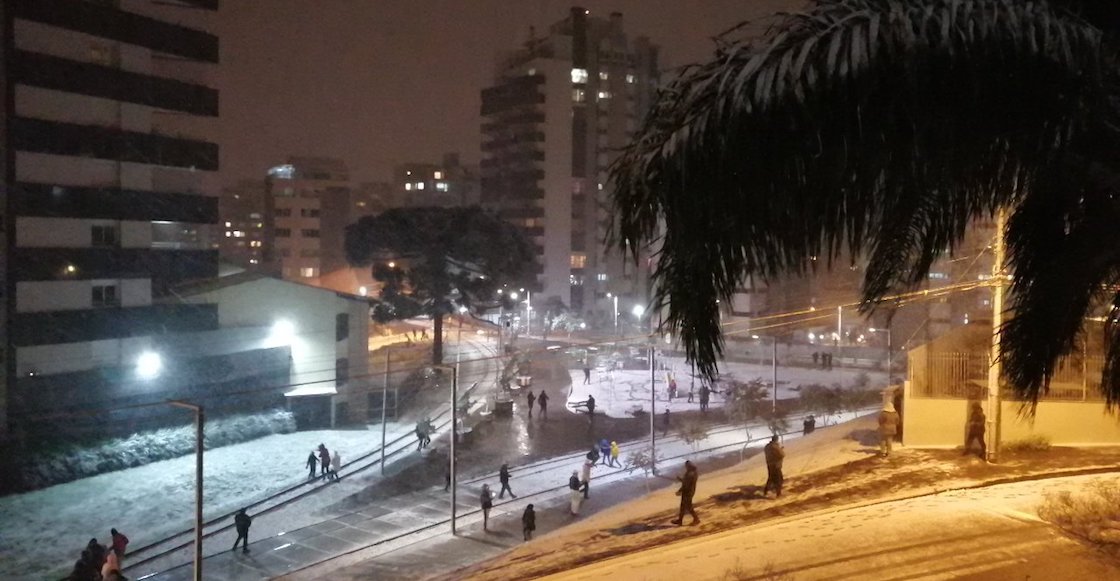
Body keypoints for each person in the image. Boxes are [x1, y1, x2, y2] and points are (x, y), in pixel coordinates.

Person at [671, 460, 700, 526]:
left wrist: (680, 490)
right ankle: (680, 520)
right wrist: (680, 481)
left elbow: (686, 484)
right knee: (683, 507)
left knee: (689, 507)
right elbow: (685, 482)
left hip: (688, 492)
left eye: (686, 466)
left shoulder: (690, 474)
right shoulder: (692, 473)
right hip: (688, 491)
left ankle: (696, 519)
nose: (686, 467)